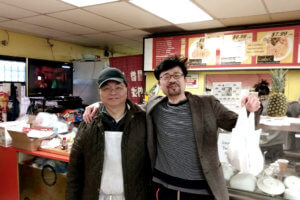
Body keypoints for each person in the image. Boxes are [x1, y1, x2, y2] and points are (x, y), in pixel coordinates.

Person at [83, 56, 261, 200]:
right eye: (166, 77)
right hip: (163, 187)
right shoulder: (154, 106)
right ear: (160, 83)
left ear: (185, 80)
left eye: (176, 75)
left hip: (201, 190)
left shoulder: (207, 104)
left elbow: (238, 124)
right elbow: (124, 105)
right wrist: (100, 103)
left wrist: (251, 110)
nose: (172, 80)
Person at [66, 67, 152, 200]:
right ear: (99, 92)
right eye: (106, 88)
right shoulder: (88, 122)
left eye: (118, 87)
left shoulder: (143, 120)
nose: (113, 92)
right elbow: (74, 169)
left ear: (126, 88)